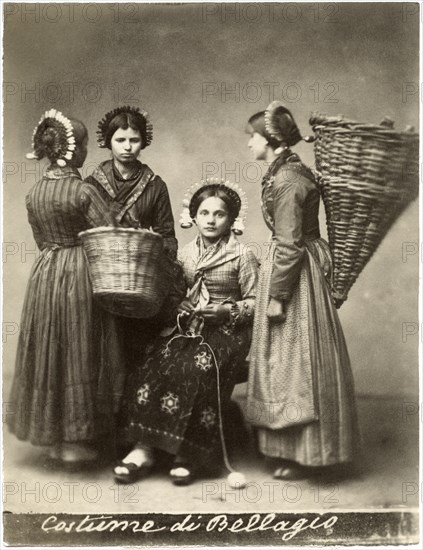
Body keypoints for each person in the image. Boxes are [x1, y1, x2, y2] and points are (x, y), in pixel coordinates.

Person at [114, 179, 259, 485]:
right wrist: (178, 304)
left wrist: (226, 311)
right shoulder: (184, 254)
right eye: (204, 213)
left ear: (231, 219)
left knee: (196, 368)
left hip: (227, 333)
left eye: (219, 214)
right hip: (187, 328)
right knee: (151, 364)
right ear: (193, 217)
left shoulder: (242, 255)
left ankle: (189, 453)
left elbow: (256, 301)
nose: (211, 219)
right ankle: (144, 449)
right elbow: (172, 291)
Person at [245, 101, 359, 480]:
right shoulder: (286, 172)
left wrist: (277, 296)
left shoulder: (289, 179)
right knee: (289, 362)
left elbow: (291, 244)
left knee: (295, 362)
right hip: (294, 261)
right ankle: (290, 450)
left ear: (271, 140)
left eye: (253, 138)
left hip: (295, 271)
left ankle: (309, 454)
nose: (249, 145)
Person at [7, 109, 116, 467]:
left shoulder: (35, 192)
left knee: (50, 347)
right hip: (78, 269)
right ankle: (74, 439)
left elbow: (41, 239)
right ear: (72, 150)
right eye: (84, 143)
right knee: (79, 347)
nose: (86, 149)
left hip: (46, 272)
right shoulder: (84, 190)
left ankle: (53, 437)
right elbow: (109, 234)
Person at [86, 106, 180, 379]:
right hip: (103, 278)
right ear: (108, 141)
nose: (128, 147)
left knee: (138, 349)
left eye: (134, 140)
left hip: (140, 279)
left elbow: (167, 234)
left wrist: (156, 261)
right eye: (120, 140)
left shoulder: (155, 185)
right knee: (103, 348)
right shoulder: (92, 183)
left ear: (143, 142)